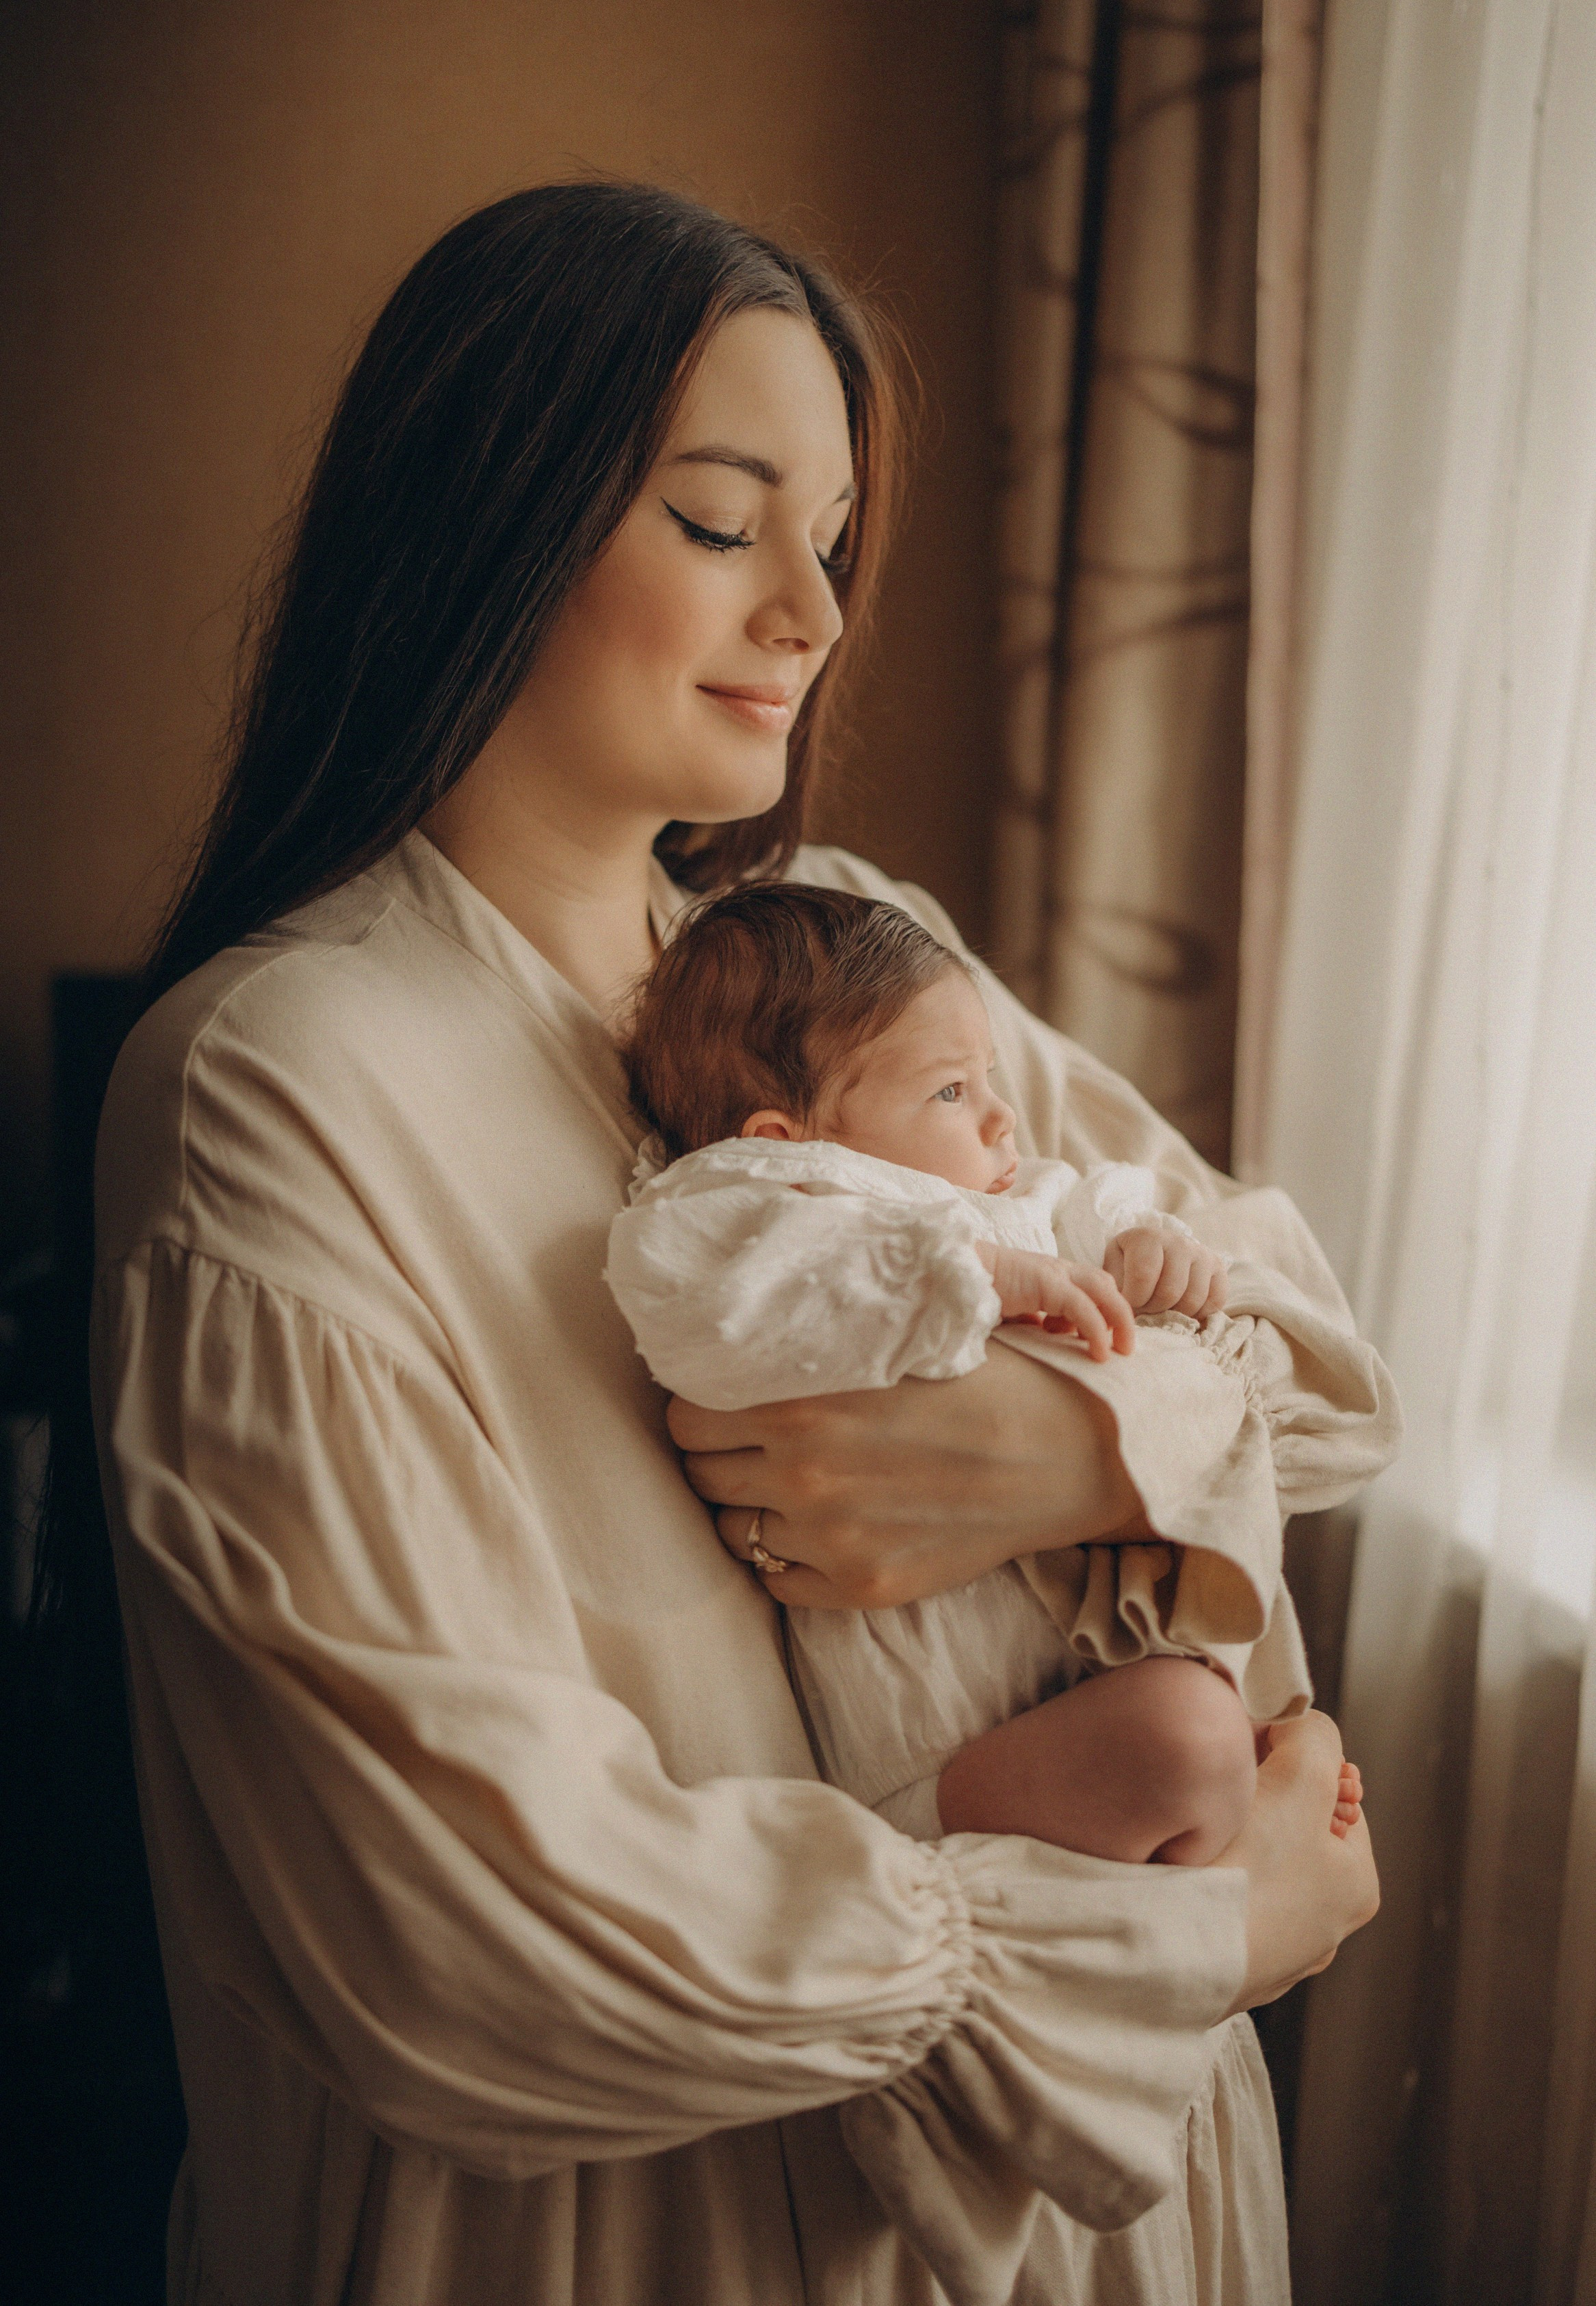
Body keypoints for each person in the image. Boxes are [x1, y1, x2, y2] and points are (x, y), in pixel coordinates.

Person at [89, 181, 1382, 2306]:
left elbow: (1323, 1367)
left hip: (1110, 2219)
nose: (808, 608)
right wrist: (1195, 1929)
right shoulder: (284, 1079)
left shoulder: (852, 962)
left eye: (834, 539)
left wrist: (1082, 1451)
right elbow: (479, 1935)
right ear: (488, 520)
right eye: (717, 519)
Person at [608, 880, 1376, 1872]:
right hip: (945, 1739)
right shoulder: (767, 1211)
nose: (1002, 1118)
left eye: (988, 1076)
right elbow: (701, 1301)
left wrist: (1154, 1252)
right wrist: (967, 1274)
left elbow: (1136, 1235)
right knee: (1179, 1736)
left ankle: (1216, 1796)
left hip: (1080, 1675)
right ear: (782, 1143)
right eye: (949, 1091)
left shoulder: (1025, 1196)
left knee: (1206, 1706)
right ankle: (1207, 1806)